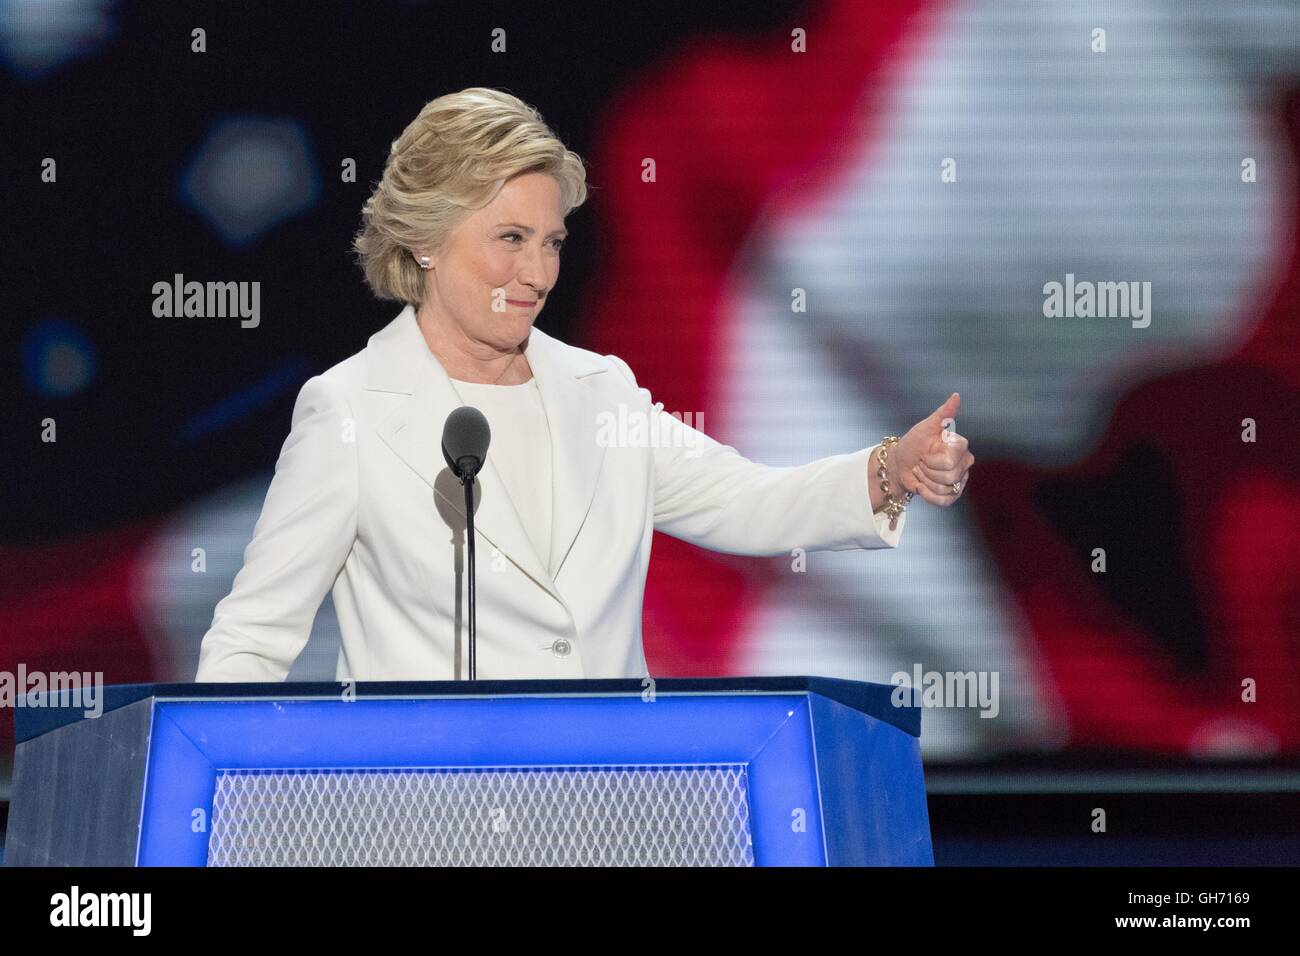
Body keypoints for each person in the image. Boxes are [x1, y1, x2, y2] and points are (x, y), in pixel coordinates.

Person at [194, 87, 972, 683]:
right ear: (427, 239)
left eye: (552, 242)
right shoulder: (349, 409)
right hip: (423, 816)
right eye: (510, 239)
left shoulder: (603, 393)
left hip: (604, 810)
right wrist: (235, 802)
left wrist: (889, 470)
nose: (537, 273)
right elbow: (253, 637)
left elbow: (748, 502)